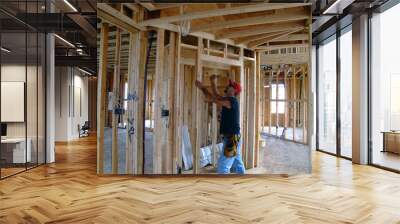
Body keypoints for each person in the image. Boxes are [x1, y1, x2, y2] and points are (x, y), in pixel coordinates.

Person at [195, 74, 245, 174]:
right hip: (233, 137)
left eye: (230, 86)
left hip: (232, 138)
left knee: (223, 168)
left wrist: (203, 88)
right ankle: (242, 183)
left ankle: (222, 189)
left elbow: (214, 99)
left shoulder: (232, 101)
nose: (227, 86)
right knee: (237, 164)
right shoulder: (229, 100)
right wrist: (213, 82)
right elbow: (216, 96)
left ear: (234, 90)